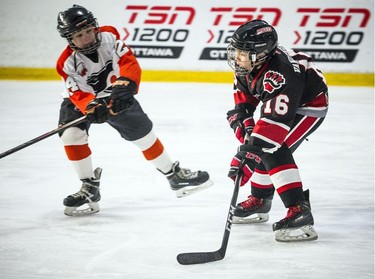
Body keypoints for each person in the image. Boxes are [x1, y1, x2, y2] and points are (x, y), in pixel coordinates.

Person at [55, 5, 212, 216]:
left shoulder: (109, 37)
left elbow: (128, 63)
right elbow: (78, 93)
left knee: (143, 135)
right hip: (80, 101)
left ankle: (173, 175)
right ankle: (89, 187)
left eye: (87, 31)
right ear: (69, 39)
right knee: (71, 135)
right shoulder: (66, 63)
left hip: (114, 92)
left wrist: (125, 85)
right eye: (78, 36)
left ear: (95, 27)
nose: (86, 39)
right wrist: (91, 106)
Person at [226, 20, 328, 242]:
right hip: (283, 104)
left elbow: (273, 126)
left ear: (260, 54)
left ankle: (299, 211)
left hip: (308, 104)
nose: (237, 57)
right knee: (260, 145)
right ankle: (261, 201)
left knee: (272, 148)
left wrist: (250, 152)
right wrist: (247, 138)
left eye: (243, 53)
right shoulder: (247, 65)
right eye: (236, 51)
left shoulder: (279, 73)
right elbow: (242, 108)